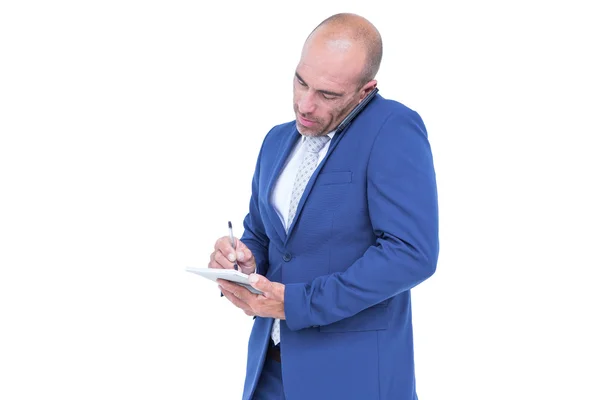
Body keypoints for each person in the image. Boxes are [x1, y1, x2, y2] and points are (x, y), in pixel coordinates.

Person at [208, 12, 439, 400]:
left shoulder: (393, 128)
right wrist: (245, 262)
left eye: (328, 95)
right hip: (269, 370)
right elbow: (264, 234)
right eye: (301, 82)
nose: (306, 104)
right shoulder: (276, 140)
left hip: (352, 377)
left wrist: (298, 303)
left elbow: (411, 254)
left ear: (366, 91)